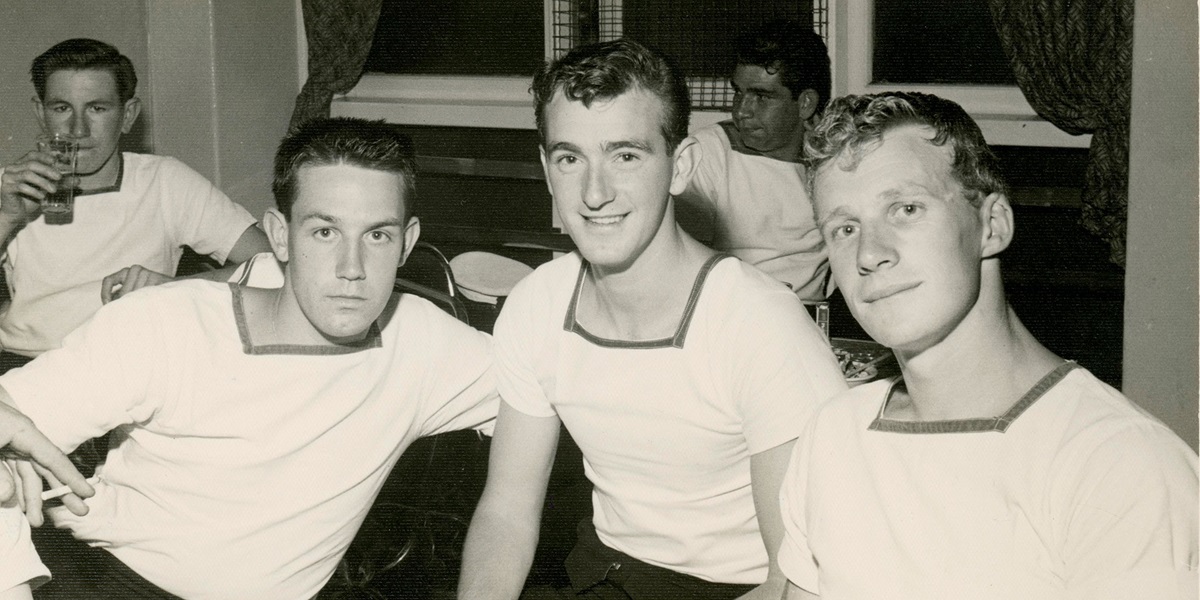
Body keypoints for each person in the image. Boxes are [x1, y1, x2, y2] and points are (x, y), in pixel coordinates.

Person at [0, 116, 498, 599]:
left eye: (377, 235)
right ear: (280, 235)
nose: (353, 269)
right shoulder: (164, 324)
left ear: (407, 242)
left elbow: (553, 382)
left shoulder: (425, 341)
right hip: (107, 580)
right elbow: (10, 415)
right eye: (325, 232)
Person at [458, 40, 846, 600]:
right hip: (605, 573)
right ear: (547, 170)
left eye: (626, 156)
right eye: (571, 158)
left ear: (679, 166)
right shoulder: (537, 304)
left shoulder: (761, 325)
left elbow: (799, 578)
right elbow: (507, 516)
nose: (595, 193)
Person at [777, 91, 1199, 599]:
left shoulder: (1118, 464)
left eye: (906, 208)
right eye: (844, 228)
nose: (870, 254)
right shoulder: (834, 433)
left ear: (992, 226)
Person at [0, 38, 271, 371]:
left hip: (132, 369)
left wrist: (176, 288)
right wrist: (7, 217)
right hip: (24, 368)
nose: (77, 129)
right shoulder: (12, 185)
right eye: (61, 108)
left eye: (97, 108)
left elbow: (274, 264)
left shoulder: (165, 182)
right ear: (40, 114)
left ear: (127, 115)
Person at [674, 20, 831, 301]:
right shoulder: (709, 151)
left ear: (805, 104)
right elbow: (680, 261)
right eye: (739, 92)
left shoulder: (831, 161)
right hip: (728, 312)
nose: (742, 111)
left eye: (762, 96)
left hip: (808, 322)